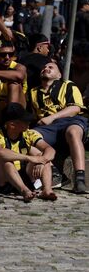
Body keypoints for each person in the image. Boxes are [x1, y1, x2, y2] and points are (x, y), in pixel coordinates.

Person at [27, 60, 88, 194]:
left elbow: (75, 108)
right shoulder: (33, 92)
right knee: (28, 137)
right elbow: (31, 115)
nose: (46, 68)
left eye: (51, 67)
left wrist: (52, 117)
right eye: (44, 67)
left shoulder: (68, 85)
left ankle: (79, 179)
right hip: (46, 128)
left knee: (73, 132)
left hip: (70, 121)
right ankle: (55, 173)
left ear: (59, 74)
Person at [0, 103, 56, 201]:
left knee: (43, 158)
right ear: (12, 124)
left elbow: (50, 150)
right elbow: (0, 153)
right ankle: (24, 190)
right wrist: (29, 158)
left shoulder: (29, 134)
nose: (28, 122)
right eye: (25, 120)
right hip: (0, 180)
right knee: (6, 162)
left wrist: (41, 161)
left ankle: (47, 190)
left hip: (22, 175)